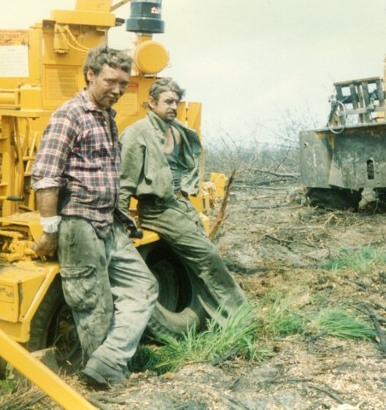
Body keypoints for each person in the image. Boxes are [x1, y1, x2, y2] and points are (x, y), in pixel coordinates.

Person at [31, 44, 158, 389]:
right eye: (111, 81)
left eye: (124, 84)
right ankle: (101, 385)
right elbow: (45, 174)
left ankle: (107, 362)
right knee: (93, 306)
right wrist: (50, 229)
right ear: (90, 74)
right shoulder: (68, 115)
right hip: (78, 225)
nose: (117, 90)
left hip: (108, 222)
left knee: (143, 287)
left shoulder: (107, 118)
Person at [119, 78, 247, 326]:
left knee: (198, 260)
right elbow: (123, 181)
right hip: (158, 210)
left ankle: (214, 321)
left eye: (176, 102)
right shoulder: (137, 134)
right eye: (168, 101)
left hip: (182, 205)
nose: (173, 106)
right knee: (207, 255)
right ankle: (241, 317)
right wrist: (121, 221)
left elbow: (190, 165)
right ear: (151, 102)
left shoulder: (178, 131)